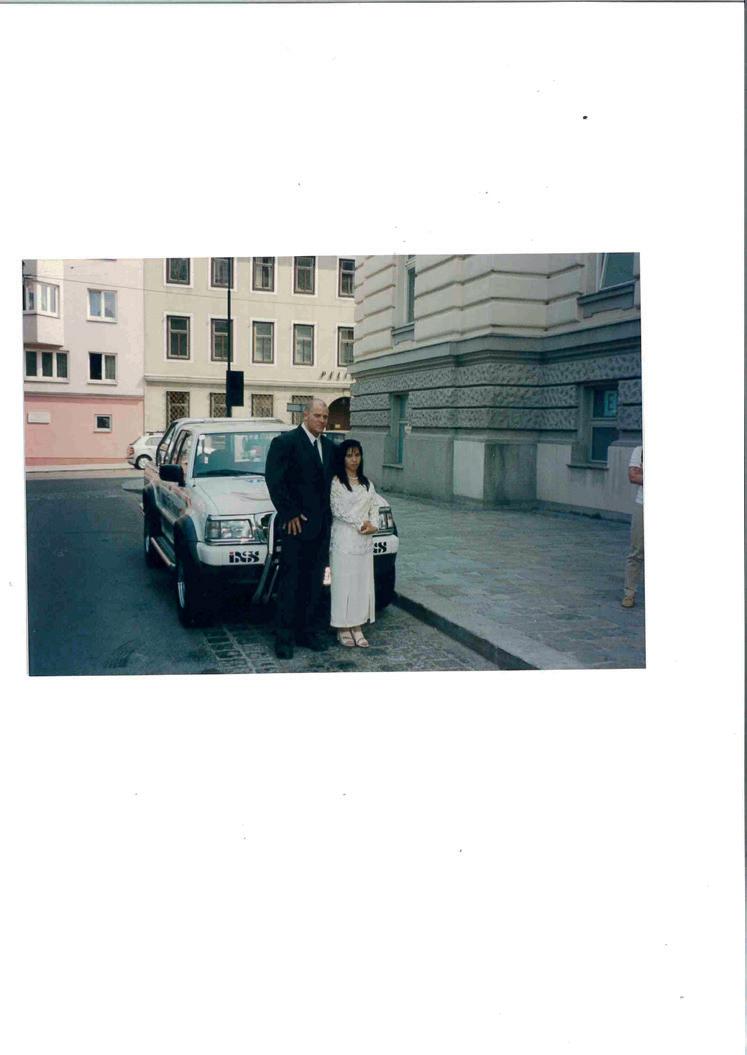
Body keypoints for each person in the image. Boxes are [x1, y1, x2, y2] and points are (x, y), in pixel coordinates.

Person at [265, 398, 335, 659]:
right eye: (317, 415)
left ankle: (308, 632)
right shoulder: (285, 443)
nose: (322, 421)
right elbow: (275, 480)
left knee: (315, 582)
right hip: (296, 527)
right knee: (291, 582)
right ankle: (284, 638)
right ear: (305, 416)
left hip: (321, 528)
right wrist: (289, 512)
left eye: (325, 417)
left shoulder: (329, 447)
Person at [329, 439, 387, 648]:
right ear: (342, 458)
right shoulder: (336, 482)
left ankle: (357, 626)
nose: (354, 460)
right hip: (344, 538)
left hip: (364, 541)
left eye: (357, 455)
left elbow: (375, 507)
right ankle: (342, 627)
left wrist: (374, 525)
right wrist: (361, 523)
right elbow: (338, 509)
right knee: (343, 583)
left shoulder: (367, 484)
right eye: (349, 455)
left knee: (361, 583)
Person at [622, 444, 644, 608]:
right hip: (643, 505)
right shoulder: (641, 450)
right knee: (637, 551)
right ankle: (629, 593)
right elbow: (633, 476)